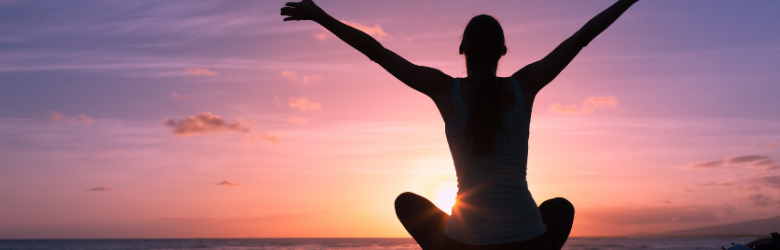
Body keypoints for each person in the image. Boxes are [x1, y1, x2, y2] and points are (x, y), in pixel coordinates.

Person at [281, 1, 639, 249]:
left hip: (464, 246)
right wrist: (628, 1)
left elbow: (377, 52)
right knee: (560, 207)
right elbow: (583, 36)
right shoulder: (525, 84)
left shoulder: (444, 89)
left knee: (407, 202)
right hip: (529, 242)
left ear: (462, 50)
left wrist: (320, 16)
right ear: (502, 52)